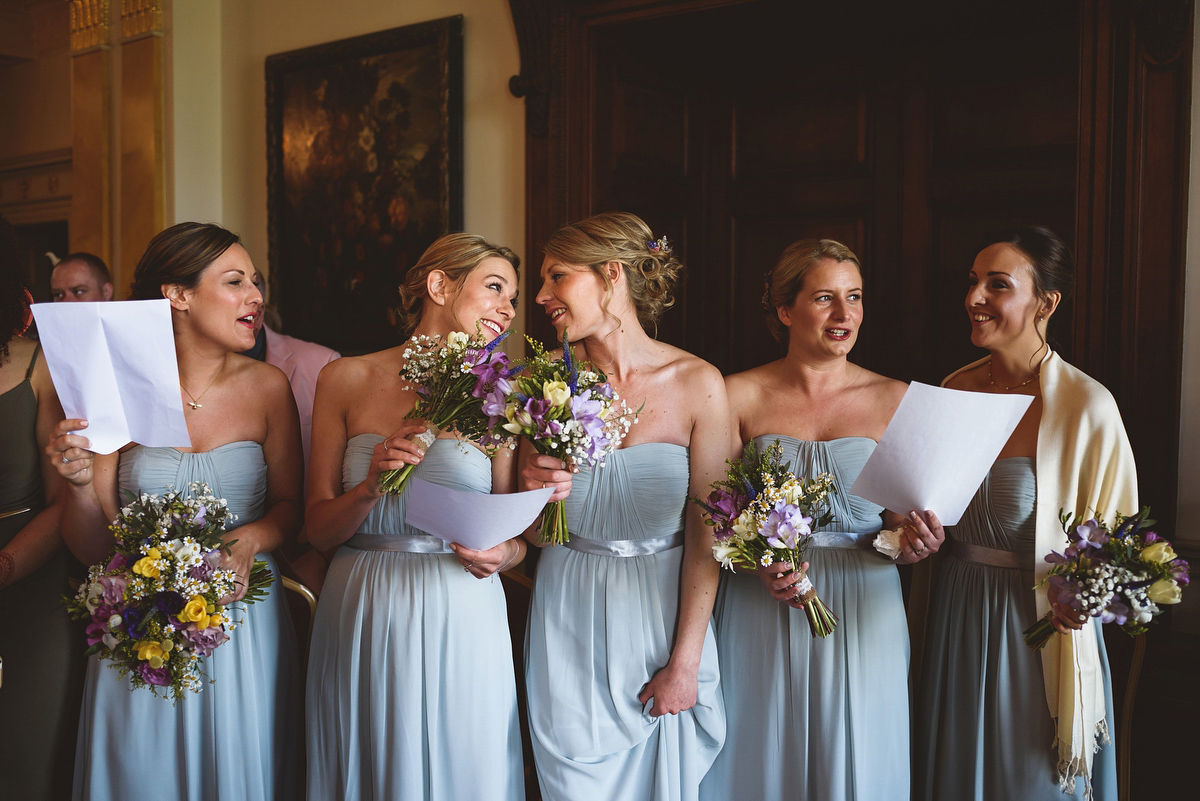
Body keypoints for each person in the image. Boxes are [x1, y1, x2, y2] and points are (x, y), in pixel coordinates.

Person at [49, 222, 304, 801]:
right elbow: (93, 548)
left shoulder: (268, 388)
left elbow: (293, 508)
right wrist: (79, 486)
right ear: (178, 295)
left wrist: (250, 540)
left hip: (244, 624)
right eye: (235, 282)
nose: (256, 297)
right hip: (140, 624)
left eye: (256, 283)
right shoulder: (113, 388)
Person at [700, 238, 938, 801]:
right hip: (763, 600)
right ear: (785, 310)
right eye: (825, 298)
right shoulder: (736, 395)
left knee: (857, 752)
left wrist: (915, 545)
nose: (844, 314)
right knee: (762, 751)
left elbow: (902, 525)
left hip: (865, 602)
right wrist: (754, 560)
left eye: (854, 298)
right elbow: (712, 514)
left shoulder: (894, 398)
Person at [304, 233, 527, 801]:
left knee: (462, 764)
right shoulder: (344, 378)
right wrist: (369, 488)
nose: (508, 308)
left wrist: (505, 554)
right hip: (363, 600)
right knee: (369, 761)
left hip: (462, 605)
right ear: (438, 285)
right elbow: (316, 529)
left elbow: (513, 533)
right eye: (495, 288)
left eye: (514, 297)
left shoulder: (504, 394)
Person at [914, 227, 1130, 801]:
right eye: (973, 282)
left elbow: (1119, 545)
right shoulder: (954, 390)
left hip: (1034, 626)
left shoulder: (1088, 407)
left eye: (998, 285)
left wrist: (1084, 598)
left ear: (1046, 302)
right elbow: (927, 505)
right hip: (955, 611)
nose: (975, 297)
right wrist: (916, 532)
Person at [520, 212, 728, 801]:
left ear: (611, 274)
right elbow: (537, 537)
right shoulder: (545, 386)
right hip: (568, 615)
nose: (540, 297)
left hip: (665, 615)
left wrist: (684, 661)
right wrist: (535, 490)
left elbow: (709, 533)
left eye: (556, 277)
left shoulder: (698, 383)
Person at [0, 215, 84, 801]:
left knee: (24, 762)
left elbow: (63, 505)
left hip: (28, 582)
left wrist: (4, 567)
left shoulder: (39, 367)